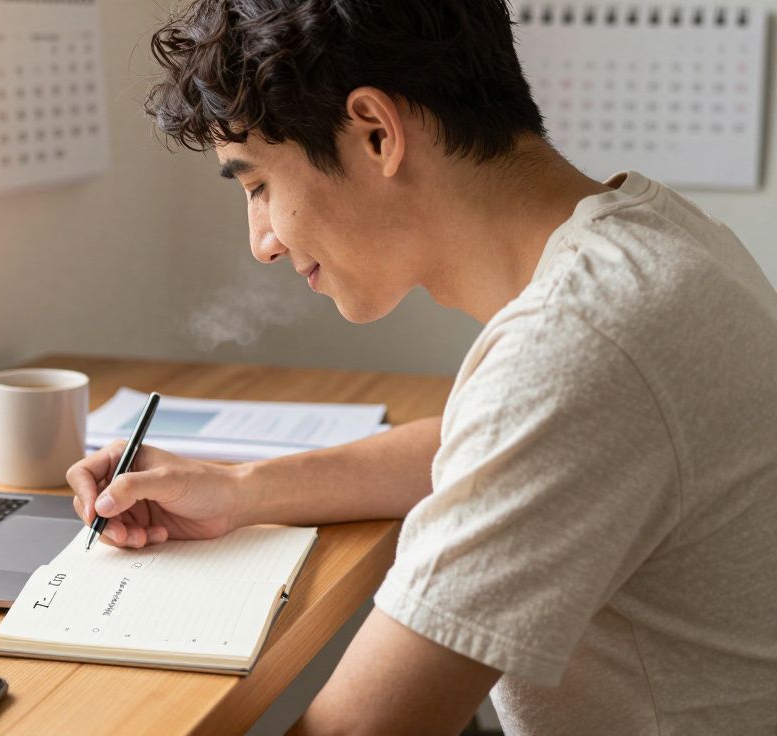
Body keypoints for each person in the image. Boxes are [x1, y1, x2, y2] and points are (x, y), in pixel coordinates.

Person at [66, 2, 777, 734]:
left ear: (376, 133)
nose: (263, 242)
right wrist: (241, 489)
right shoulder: (653, 237)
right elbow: (491, 443)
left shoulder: (583, 343)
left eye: (258, 187)